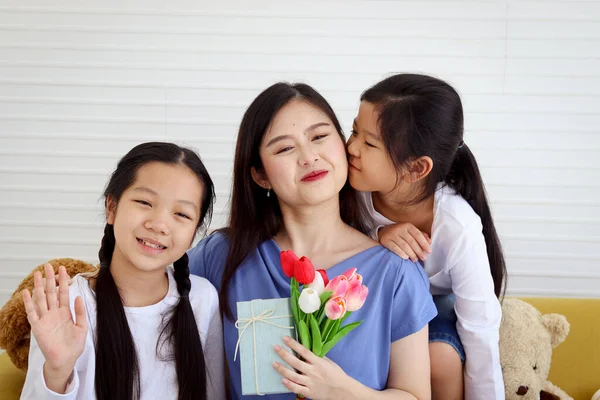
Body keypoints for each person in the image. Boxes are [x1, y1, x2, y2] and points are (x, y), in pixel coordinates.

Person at [189, 82, 437, 399]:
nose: (309, 157)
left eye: (319, 137)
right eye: (284, 148)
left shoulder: (395, 272)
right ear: (260, 175)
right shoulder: (220, 256)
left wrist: (341, 391)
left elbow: (415, 395)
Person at [20, 142, 225, 400]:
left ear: (194, 232)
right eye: (144, 202)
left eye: (181, 214)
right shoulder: (68, 305)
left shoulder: (202, 300)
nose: (160, 224)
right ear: (112, 208)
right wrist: (58, 371)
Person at [347, 73, 506, 399]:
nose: (350, 148)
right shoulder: (349, 187)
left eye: (369, 142)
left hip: (434, 309)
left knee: (440, 359)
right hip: (371, 305)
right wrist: (377, 235)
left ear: (416, 169)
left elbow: (480, 331)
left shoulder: (457, 225)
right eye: (353, 131)